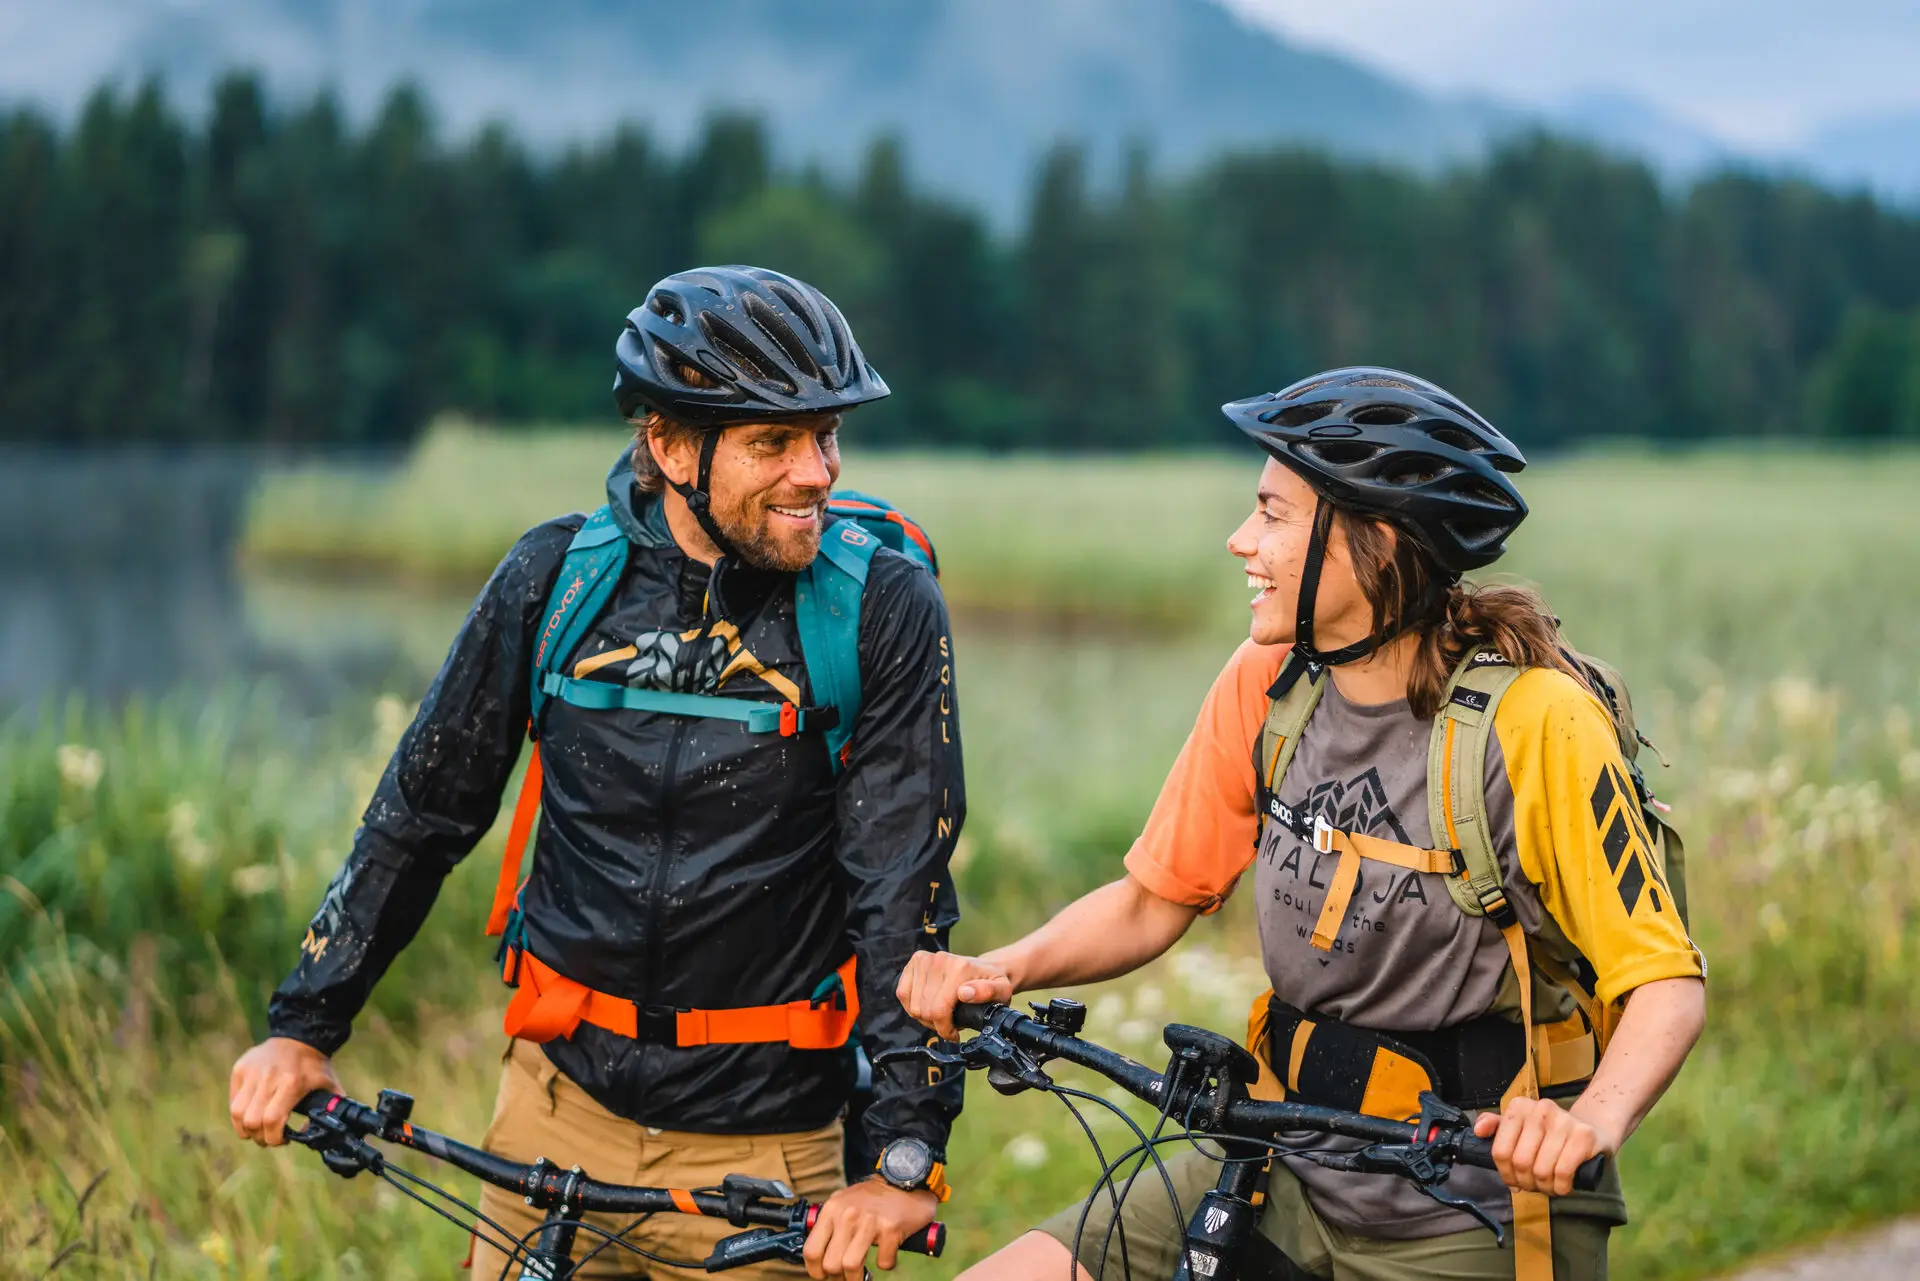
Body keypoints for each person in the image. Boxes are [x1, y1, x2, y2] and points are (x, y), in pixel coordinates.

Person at [229, 266, 965, 1280]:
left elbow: (904, 898)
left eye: (827, 435)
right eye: (774, 442)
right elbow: (423, 812)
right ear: (668, 444)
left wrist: (904, 1152)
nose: (819, 471)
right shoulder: (552, 578)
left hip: (767, 1157)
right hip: (550, 1119)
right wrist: (303, 1025)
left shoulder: (881, 607)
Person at [898, 367, 1706, 1281]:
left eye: (1274, 514)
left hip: (1471, 1207)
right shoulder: (1270, 682)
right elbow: (1152, 900)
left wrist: (1584, 1123)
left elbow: (1666, 985)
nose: (1240, 539)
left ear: (1378, 539)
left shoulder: (1533, 724)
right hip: (1283, 1163)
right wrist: (1001, 968)